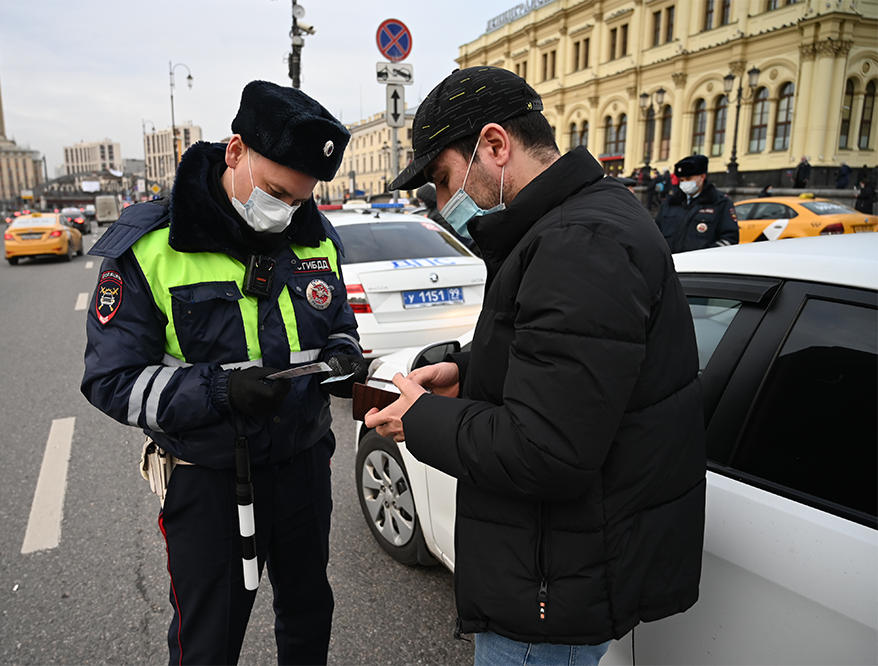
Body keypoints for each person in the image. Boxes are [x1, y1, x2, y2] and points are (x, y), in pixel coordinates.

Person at [365, 66, 706, 666]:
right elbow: (564, 360)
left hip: (549, 592)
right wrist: (467, 371)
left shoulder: (579, 242)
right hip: (555, 566)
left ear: (496, 145)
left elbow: (546, 449)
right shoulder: (573, 223)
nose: (442, 206)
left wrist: (420, 421)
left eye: (443, 180)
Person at [81, 80, 367, 666]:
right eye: (276, 192)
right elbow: (111, 380)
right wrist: (216, 390)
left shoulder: (312, 233)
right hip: (209, 478)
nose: (286, 210)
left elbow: (337, 320)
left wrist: (342, 356)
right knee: (208, 642)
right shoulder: (152, 246)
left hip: (303, 464)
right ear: (235, 151)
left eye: (300, 198)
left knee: (309, 616)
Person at [654, 154, 739, 253]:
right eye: (681, 180)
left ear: (702, 176)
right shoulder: (670, 203)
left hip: (701, 261)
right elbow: (656, 234)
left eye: (688, 179)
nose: (685, 183)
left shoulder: (720, 203)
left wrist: (705, 256)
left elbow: (729, 238)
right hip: (670, 260)